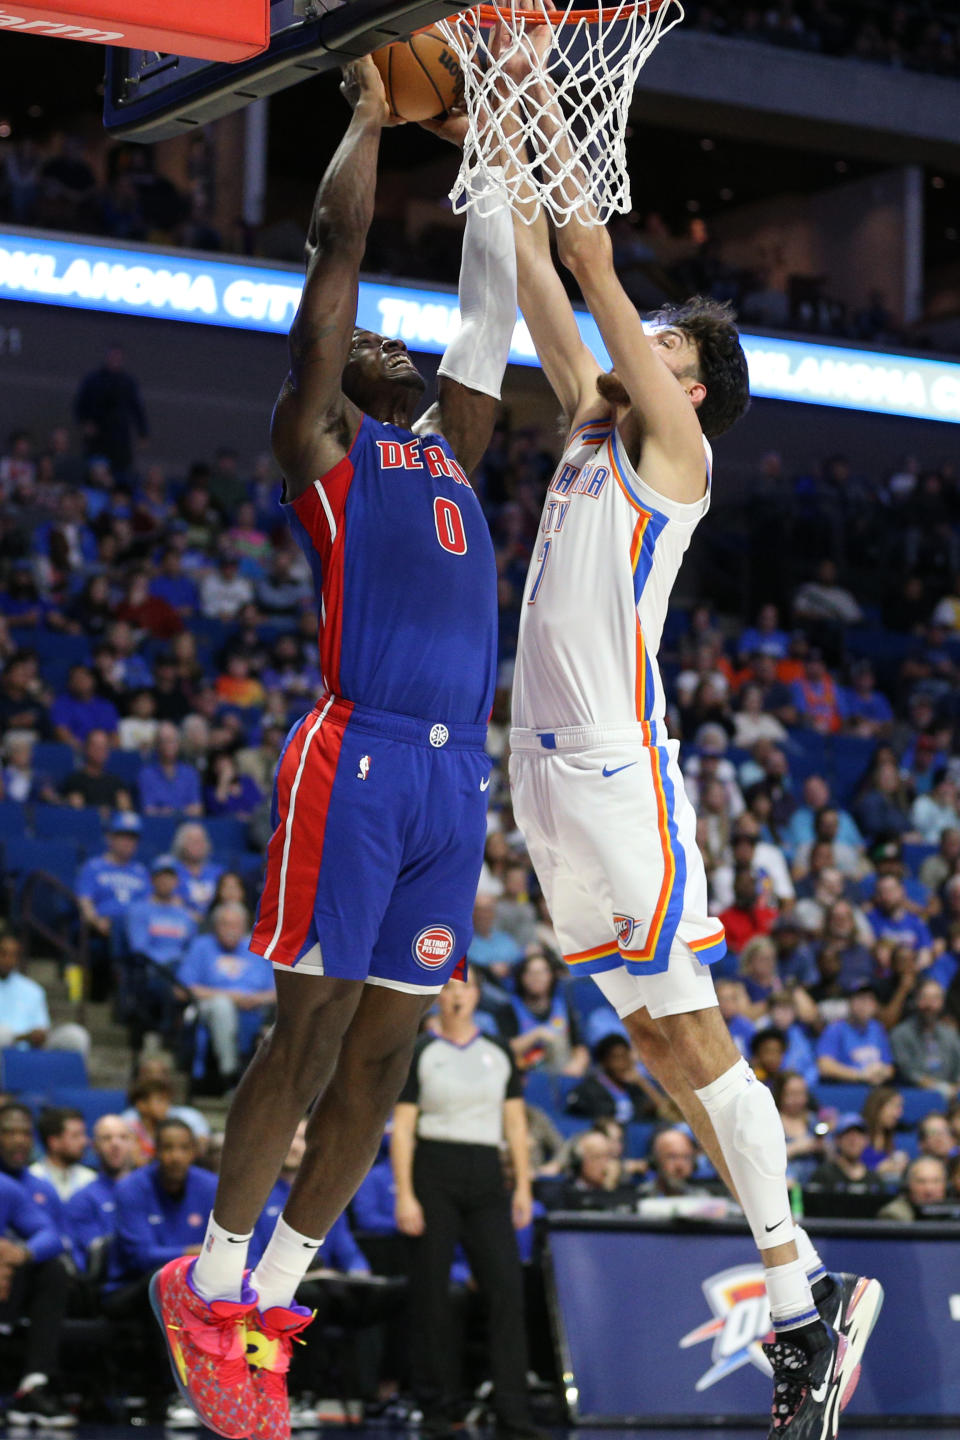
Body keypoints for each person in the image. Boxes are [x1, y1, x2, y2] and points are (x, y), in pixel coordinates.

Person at [480, 38, 878, 1435]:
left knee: (695, 1034)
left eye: (664, 343)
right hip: (543, 776)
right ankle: (795, 1300)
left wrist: (546, 104)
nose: (636, 338)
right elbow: (539, 265)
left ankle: (801, 1290)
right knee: (659, 1052)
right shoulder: (592, 430)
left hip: (612, 773)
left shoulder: (680, 460)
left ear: (692, 384)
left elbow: (585, 263)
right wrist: (501, 103)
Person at [150, 54, 518, 1440]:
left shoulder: (460, 443)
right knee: (304, 1037)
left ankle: (271, 1300)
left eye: (390, 346)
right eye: (362, 344)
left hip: (452, 778)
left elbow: (489, 302)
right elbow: (343, 247)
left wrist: (505, 159)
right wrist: (370, 116)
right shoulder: (322, 441)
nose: (384, 345)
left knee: (383, 1063)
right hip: (353, 753)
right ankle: (213, 1271)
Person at [391, 970, 537, 1439]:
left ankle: (514, 1414)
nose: (456, 996)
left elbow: (515, 1126)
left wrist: (523, 1187)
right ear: (438, 995)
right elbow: (404, 1129)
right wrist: (405, 1193)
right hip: (433, 1168)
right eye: (449, 988)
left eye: (464, 988)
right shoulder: (421, 1052)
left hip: (486, 1171)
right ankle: (436, 1409)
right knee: (431, 1293)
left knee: (506, 1292)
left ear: (476, 995)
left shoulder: (498, 1052)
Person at [0, 1170, 74, 1427]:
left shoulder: (6, 1188)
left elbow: (50, 1236)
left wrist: (21, 1254)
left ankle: (33, 1385)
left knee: (51, 1270)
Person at [177, 901, 275, 1089]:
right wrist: (231, 996)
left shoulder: (258, 947)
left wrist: (257, 999)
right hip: (209, 1006)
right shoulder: (201, 946)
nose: (231, 930)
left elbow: (277, 993)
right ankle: (230, 1072)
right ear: (215, 926)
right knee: (222, 1006)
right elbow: (184, 988)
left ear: (245, 927)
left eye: (236, 925)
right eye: (225, 924)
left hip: (256, 1008)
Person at [0, 931, 90, 1056]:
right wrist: (20, 1037)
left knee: (77, 1035)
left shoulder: (33, 990)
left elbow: (42, 1029)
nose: (8, 960)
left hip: (32, 1047)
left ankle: (75, 1075)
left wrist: (37, 1036)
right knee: (3, 1034)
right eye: (3, 954)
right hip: (6, 1044)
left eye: (13, 955)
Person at [499, 951, 588, 1076]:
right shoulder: (509, 1009)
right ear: (522, 977)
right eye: (531, 973)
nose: (537, 977)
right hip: (526, 1078)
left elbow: (579, 1047)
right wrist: (537, 1034)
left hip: (563, 1074)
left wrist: (576, 1066)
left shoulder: (563, 1007)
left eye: (543, 972)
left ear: (551, 976)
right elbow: (506, 1050)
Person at [64, 1115, 136, 1266]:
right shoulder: (82, 1199)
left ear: (133, 1144)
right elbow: (95, 1254)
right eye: (107, 1138)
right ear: (95, 1146)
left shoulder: (151, 1191)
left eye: (123, 1137)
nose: (115, 1144)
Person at [565, 1034, 663, 1124]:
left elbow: (664, 1111)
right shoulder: (589, 1090)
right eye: (616, 1058)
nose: (623, 1064)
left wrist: (643, 1083)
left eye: (626, 1057)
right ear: (604, 1062)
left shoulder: (634, 1088)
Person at [891, 978, 960, 1099]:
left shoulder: (950, 1034)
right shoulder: (900, 1034)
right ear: (916, 1000)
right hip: (914, 1096)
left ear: (942, 1002)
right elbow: (908, 1072)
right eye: (925, 998)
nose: (929, 1005)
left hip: (951, 1097)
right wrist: (939, 1087)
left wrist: (956, 1087)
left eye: (935, 999)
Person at [816, 984, 895, 1085]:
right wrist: (860, 1075)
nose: (865, 1005)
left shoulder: (877, 1028)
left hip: (874, 1088)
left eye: (870, 1000)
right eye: (860, 999)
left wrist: (881, 1072)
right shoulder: (835, 1029)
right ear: (849, 1002)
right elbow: (824, 1066)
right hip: (845, 1091)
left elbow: (890, 1068)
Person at [553, 1129, 637, 1211]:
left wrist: (609, 1188)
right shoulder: (563, 1194)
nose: (606, 1163)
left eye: (608, 1156)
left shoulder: (622, 1190)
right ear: (579, 1161)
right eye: (598, 1157)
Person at [807, 1116, 884, 1204]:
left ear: (866, 1141)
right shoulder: (823, 1175)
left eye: (859, 1135)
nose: (854, 1140)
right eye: (848, 1135)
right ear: (838, 1140)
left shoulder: (874, 1180)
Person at [29, 1107, 96, 1203]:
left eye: (83, 1134)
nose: (84, 1141)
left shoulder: (90, 1179)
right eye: (75, 1136)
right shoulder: (33, 1177)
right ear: (54, 1142)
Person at [138, 722, 203, 816]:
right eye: (163, 741)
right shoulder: (146, 774)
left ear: (178, 743)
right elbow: (149, 810)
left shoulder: (190, 773)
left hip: (187, 826)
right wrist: (181, 811)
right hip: (158, 826)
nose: (168, 745)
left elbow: (197, 809)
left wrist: (167, 812)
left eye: (172, 740)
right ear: (157, 745)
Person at [876, 1156, 949, 1221]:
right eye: (921, 1181)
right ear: (909, 1185)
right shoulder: (894, 1214)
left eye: (936, 1181)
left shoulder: (954, 1211)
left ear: (945, 1184)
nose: (929, 1189)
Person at [860, 1087, 909, 1181]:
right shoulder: (858, 1133)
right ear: (878, 1106)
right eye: (896, 1107)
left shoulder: (890, 1138)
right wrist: (878, 1169)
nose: (899, 1113)